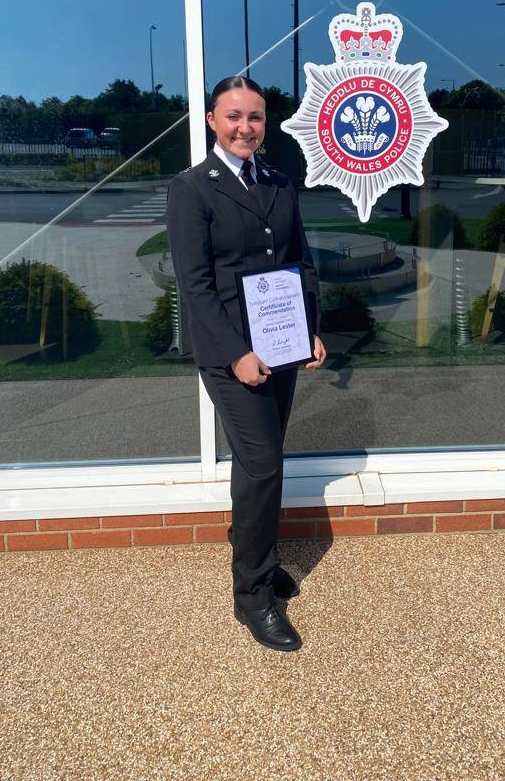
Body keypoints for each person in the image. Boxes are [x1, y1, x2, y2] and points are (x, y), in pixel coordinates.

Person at [166, 75, 325, 653]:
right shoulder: (192, 189)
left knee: (263, 461)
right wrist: (236, 353)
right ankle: (253, 595)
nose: (245, 128)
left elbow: (299, 260)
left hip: (282, 349)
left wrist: (309, 329)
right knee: (263, 466)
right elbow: (196, 286)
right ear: (212, 120)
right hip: (232, 356)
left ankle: (255, 549)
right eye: (233, 116)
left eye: (255, 117)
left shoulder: (280, 183)